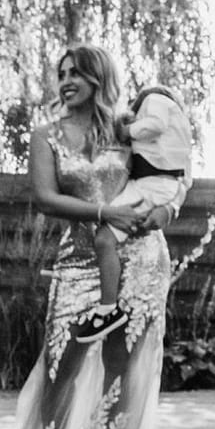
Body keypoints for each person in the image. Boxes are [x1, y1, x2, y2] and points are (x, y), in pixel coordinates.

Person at [0, 45, 176, 429]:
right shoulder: (46, 135)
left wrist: (163, 211)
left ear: (98, 78)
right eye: (61, 73)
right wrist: (105, 211)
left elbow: (174, 173)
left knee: (121, 365)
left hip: (140, 257)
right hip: (78, 259)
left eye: (77, 73)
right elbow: (45, 199)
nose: (66, 81)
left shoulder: (129, 131)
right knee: (60, 361)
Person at [72, 83, 192, 344]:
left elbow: (183, 180)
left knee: (131, 347)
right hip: (87, 257)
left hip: (141, 236)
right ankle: (107, 309)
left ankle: (107, 310)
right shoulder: (145, 132)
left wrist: (170, 209)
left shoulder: (151, 108)